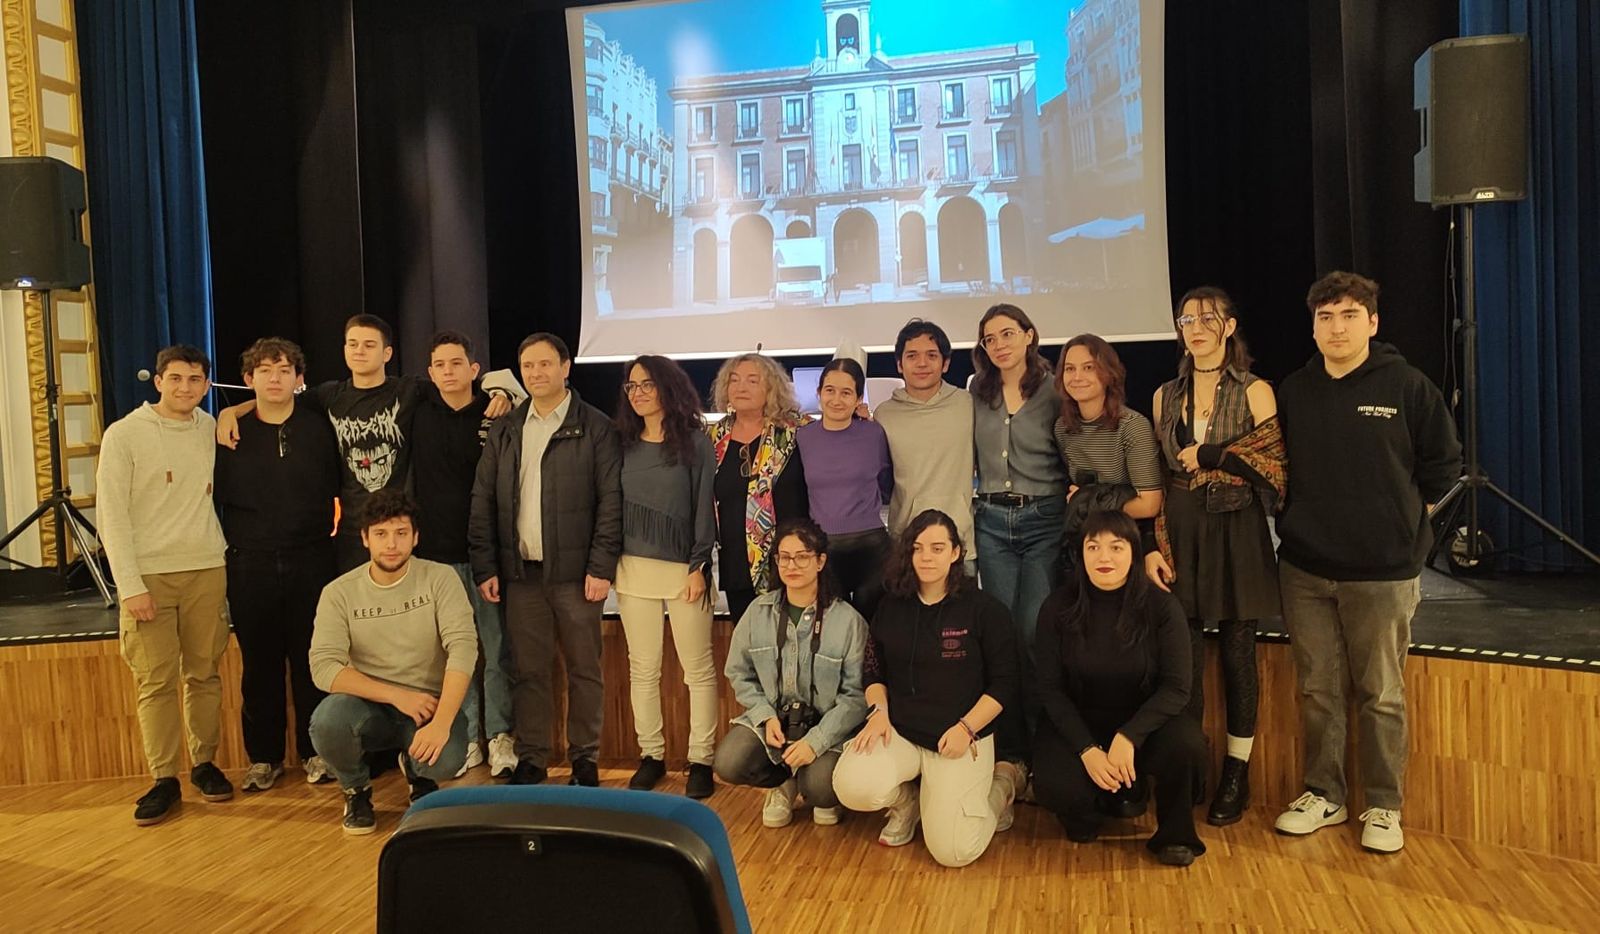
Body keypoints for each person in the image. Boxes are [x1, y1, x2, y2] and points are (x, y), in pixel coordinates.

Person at [1272, 271, 1461, 854]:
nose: (1337, 327)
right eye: (1325, 317)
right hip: (1304, 567)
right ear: (1312, 325)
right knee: (1318, 689)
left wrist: (1400, 523)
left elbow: (1444, 466)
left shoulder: (1407, 385)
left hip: (1383, 573)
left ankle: (1383, 807)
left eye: (1349, 315)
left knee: (1381, 692)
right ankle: (1323, 795)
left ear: (1372, 323)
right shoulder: (1294, 391)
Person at [217, 314, 518, 571]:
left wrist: (501, 390)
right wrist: (233, 410)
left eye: (369, 345)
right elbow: (278, 400)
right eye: (353, 344)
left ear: (387, 353)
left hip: (402, 532)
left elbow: (460, 381)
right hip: (352, 533)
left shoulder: (409, 390)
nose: (360, 351)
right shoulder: (328, 396)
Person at [1146, 288, 1286, 826]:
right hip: (1179, 529)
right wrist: (1152, 545)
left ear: (1229, 326)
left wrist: (1215, 456)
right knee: (1180, 656)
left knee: (1237, 654)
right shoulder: (1163, 394)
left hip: (1236, 528)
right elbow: (1159, 474)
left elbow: (1275, 470)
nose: (1197, 327)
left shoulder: (1256, 391)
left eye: (1208, 318)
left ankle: (1237, 773)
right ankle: (1188, 764)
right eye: (1187, 319)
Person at [469, 332, 622, 787]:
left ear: (565, 367)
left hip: (577, 577)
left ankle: (585, 760)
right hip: (521, 576)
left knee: (583, 670)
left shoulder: (595, 427)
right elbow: (483, 499)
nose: (536, 374)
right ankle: (532, 757)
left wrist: (601, 566)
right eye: (528, 366)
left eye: (545, 364)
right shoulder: (507, 428)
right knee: (528, 671)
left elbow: (610, 501)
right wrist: (486, 566)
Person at [832, 510, 1024, 868]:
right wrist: (878, 713)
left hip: (959, 739)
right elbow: (874, 670)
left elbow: (1006, 683)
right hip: (901, 732)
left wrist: (967, 728)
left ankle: (1001, 788)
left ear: (955, 553)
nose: (926, 557)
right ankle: (909, 805)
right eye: (918, 548)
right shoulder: (892, 604)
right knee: (850, 784)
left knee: (954, 853)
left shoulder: (984, 610)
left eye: (937, 548)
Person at [98, 344, 235, 825]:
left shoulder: (209, 428)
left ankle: (204, 764)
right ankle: (163, 778)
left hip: (205, 568)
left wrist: (234, 407)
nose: (185, 388)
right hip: (149, 575)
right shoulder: (124, 435)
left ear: (205, 384)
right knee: (154, 681)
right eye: (175, 378)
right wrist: (129, 585)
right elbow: (110, 517)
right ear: (158, 381)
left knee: (204, 673)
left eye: (195, 380)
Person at [1031, 510, 1207, 866]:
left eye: (1116, 546)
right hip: (1081, 723)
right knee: (1054, 783)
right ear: (1080, 554)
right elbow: (1050, 689)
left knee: (1187, 744)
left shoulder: (1161, 606)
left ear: (1133, 553)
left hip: (1143, 724)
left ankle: (1175, 834)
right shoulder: (1057, 607)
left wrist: (1129, 736)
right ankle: (1088, 810)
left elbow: (1177, 688)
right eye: (1093, 547)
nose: (1104, 557)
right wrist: (1087, 749)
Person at [307, 490, 478, 835]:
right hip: (368, 706)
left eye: (401, 533)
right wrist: (396, 695)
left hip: (427, 706)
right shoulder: (339, 592)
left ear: (415, 537)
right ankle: (356, 790)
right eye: (381, 534)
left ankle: (419, 774)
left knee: (447, 760)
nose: (391, 544)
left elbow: (464, 648)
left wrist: (442, 722)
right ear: (365, 538)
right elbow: (323, 667)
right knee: (327, 723)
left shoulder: (440, 578)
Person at [214, 337, 342, 791]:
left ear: (298, 378)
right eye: (265, 370)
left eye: (284, 369)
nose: (275, 377)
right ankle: (263, 758)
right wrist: (235, 411)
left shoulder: (318, 426)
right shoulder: (228, 432)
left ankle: (316, 753)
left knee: (313, 660)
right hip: (250, 563)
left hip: (312, 558)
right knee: (259, 664)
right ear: (249, 379)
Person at [713, 518, 868, 827]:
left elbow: (857, 696)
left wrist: (817, 740)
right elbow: (739, 674)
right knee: (728, 762)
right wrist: (764, 715)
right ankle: (782, 784)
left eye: (802, 556)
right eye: (784, 557)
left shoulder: (848, 622)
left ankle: (817, 789)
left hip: (828, 730)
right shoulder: (757, 614)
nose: (792, 565)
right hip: (774, 725)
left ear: (821, 560)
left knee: (820, 787)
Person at [413, 331, 519, 780]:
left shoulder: (497, 413)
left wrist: (505, 390)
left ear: (475, 370)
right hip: (434, 559)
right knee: (454, 655)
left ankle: (499, 735)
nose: (449, 372)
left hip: (487, 557)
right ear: (430, 371)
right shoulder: (416, 413)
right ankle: (468, 735)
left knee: (495, 650)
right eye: (440, 364)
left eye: (458, 363)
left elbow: (518, 385)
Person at [613, 354, 720, 797]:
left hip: (684, 570)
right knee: (643, 670)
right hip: (632, 569)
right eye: (631, 386)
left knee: (697, 670)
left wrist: (698, 565)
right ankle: (651, 755)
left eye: (647, 385)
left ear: (668, 388)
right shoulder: (619, 442)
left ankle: (701, 760)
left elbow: (702, 508)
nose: (638, 393)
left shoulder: (695, 442)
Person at [970, 304, 1068, 763]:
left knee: (1033, 630)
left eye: (1008, 334)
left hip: (1043, 519)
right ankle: (1009, 752)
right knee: (1003, 635)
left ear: (1029, 335)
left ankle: (1042, 744)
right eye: (990, 339)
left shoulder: (1056, 390)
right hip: (990, 521)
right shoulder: (977, 391)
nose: (1000, 345)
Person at [707, 353, 809, 624]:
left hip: (789, 562)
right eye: (734, 380)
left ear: (772, 388)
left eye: (753, 380)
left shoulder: (797, 430)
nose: (741, 387)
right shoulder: (713, 437)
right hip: (736, 564)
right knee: (751, 652)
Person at [795, 358, 893, 620]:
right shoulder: (802, 438)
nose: (837, 400)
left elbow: (886, 484)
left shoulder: (874, 434)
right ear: (818, 393)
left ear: (859, 397)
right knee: (832, 632)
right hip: (824, 548)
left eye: (846, 392)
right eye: (830, 390)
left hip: (872, 547)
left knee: (872, 631)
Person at [1053, 333, 1165, 558]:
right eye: (1069, 368)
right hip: (1085, 539)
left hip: (1130, 539)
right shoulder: (1062, 428)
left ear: (1108, 373)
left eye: (1088, 368)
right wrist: (1087, 500)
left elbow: (1150, 504)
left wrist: (1087, 501)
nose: (1077, 377)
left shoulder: (1132, 426)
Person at [873, 319, 975, 555]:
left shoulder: (967, 404)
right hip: (907, 541)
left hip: (960, 540)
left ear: (946, 363)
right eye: (912, 356)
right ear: (899, 364)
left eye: (931, 355)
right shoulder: (884, 414)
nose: (922, 363)